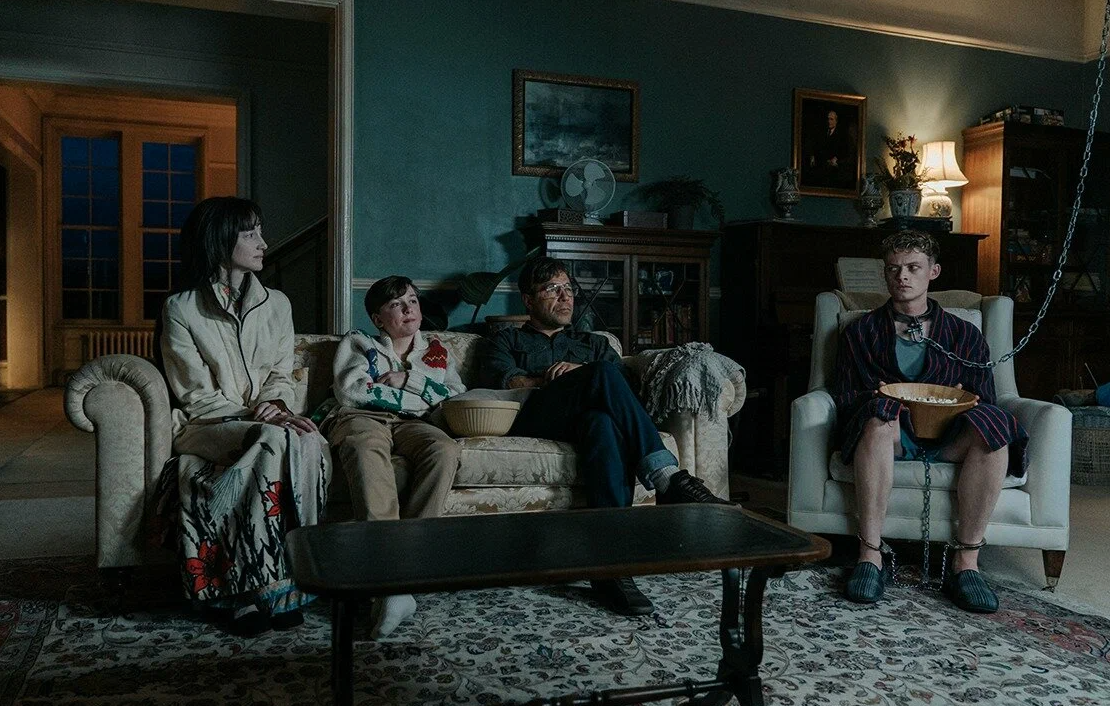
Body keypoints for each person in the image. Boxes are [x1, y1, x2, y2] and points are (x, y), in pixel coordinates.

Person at [481, 256, 731, 617]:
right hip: (537, 415)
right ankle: (667, 477)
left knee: (602, 422)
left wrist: (585, 372)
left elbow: (625, 388)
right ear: (528, 300)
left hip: (586, 422)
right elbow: (504, 381)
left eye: (568, 289)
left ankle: (611, 569)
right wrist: (566, 379)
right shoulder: (506, 339)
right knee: (600, 376)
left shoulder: (593, 343)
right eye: (552, 289)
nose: (565, 297)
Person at [158, 197, 330, 636]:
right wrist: (259, 415)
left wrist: (277, 406)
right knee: (272, 440)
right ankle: (254, 588)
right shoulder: (181, 309)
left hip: (262, 422)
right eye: (250, 234)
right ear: (219, 240)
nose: (263, 243)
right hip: (206, 426)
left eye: (260, 232)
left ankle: (280, 580)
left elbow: (281, 375)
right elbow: (196, 395)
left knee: (308, 439)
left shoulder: (278, 304)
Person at [833, 230, 1028, 613]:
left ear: (933, 271)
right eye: (893, 269)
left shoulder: (964, 334)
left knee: (994, 425)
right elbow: (844, 397)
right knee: (876, 418)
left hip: (949, 434)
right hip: (892, 434)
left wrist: (957, 398)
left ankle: (966, 563)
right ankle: (870, 556)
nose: (902, 276)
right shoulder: (860, 332)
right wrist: (879, 397)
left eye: (913, 267)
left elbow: (984, 396)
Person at [323, 275, 464, 637]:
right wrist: (423, 397)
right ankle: (388, 580)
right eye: (396, 304)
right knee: (364, 447)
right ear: (378, 318)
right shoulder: (360, 343)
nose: (408, 309)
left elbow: (454, 397)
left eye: (413, 301)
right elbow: (354, 391)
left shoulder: (436, 351)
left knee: (444, 449)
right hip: (361, 417)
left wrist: (408, 382)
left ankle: (406, 568)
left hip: (414, 423)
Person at [807, 109, 853, 189]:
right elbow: (816, 146)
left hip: (835, 169)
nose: (829, 121)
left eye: (831, 119)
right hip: (821, 166)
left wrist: (836, 159)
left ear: (836, 121)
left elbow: (845, 150)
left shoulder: (842, 135)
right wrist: (812, 156)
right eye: (828, 119)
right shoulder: (822, 132)